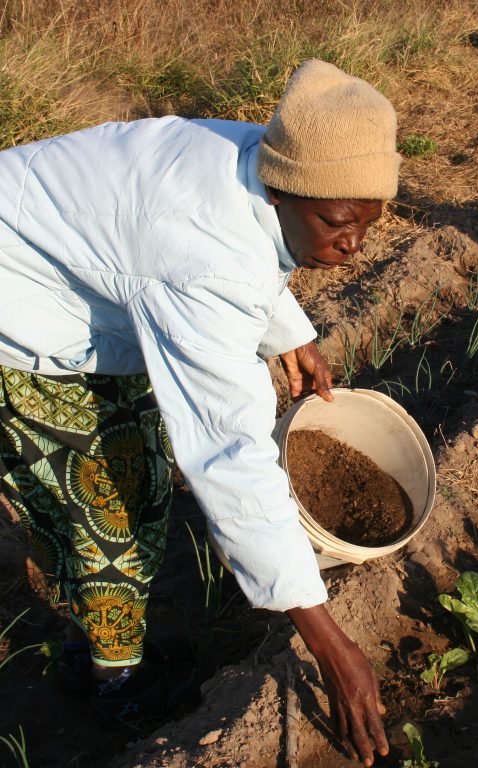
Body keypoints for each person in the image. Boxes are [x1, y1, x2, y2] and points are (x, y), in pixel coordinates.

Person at [0, 58, 400, 767]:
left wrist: (292, 331)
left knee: (135, 485)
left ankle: (91, 643)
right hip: (20, 312)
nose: (355, 245)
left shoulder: (259, 156)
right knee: (112, 509)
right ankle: (114, 685)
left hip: (81, 277)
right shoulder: (204, 258)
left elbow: (249, 249)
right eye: (339, 224)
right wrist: (326, 639)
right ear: (283, 190)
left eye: (370, 223)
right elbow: (228, 455)